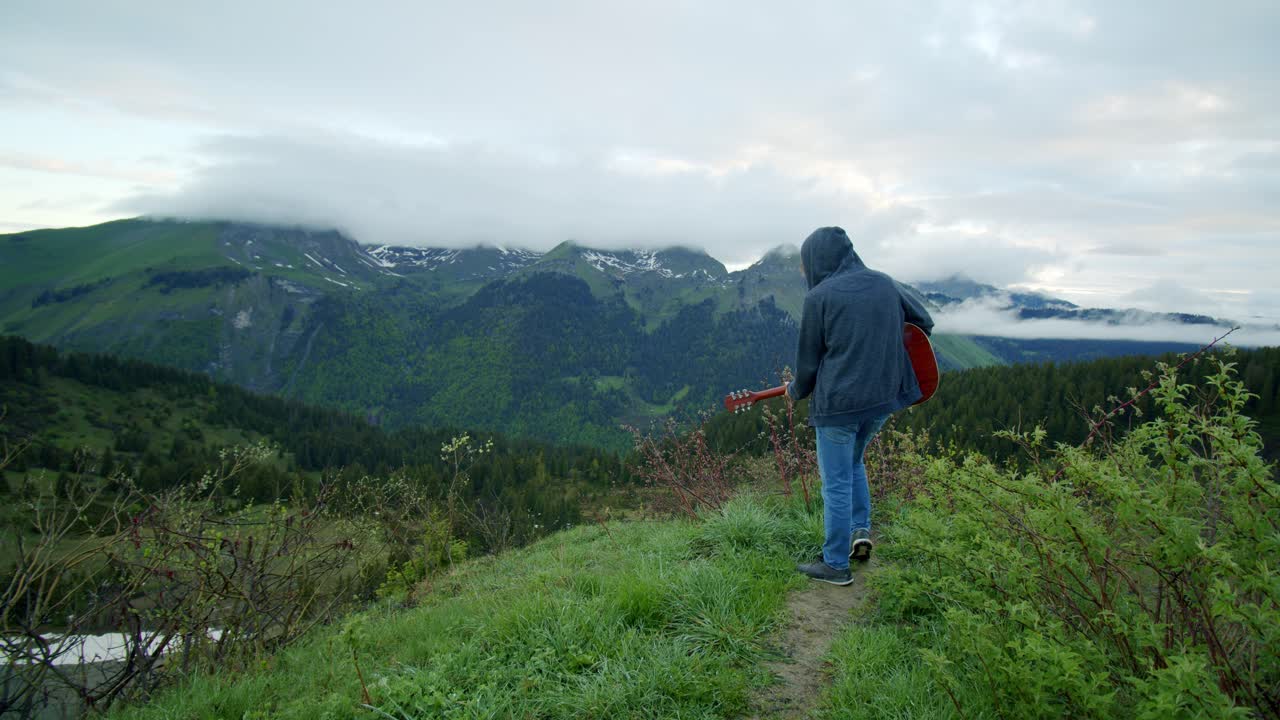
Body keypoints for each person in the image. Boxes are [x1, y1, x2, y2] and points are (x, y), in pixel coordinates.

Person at [786, 226, 934, 586]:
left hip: (838, 406)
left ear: (819, 259)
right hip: (884, 398)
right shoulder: (884, 283)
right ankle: (859, 531)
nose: (805, 272)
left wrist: (795, 392)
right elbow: (923, 322)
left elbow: (807, 367)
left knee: (835, 482)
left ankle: (835, 564)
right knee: (854, 463)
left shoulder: (819, 297)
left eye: (806, 264)